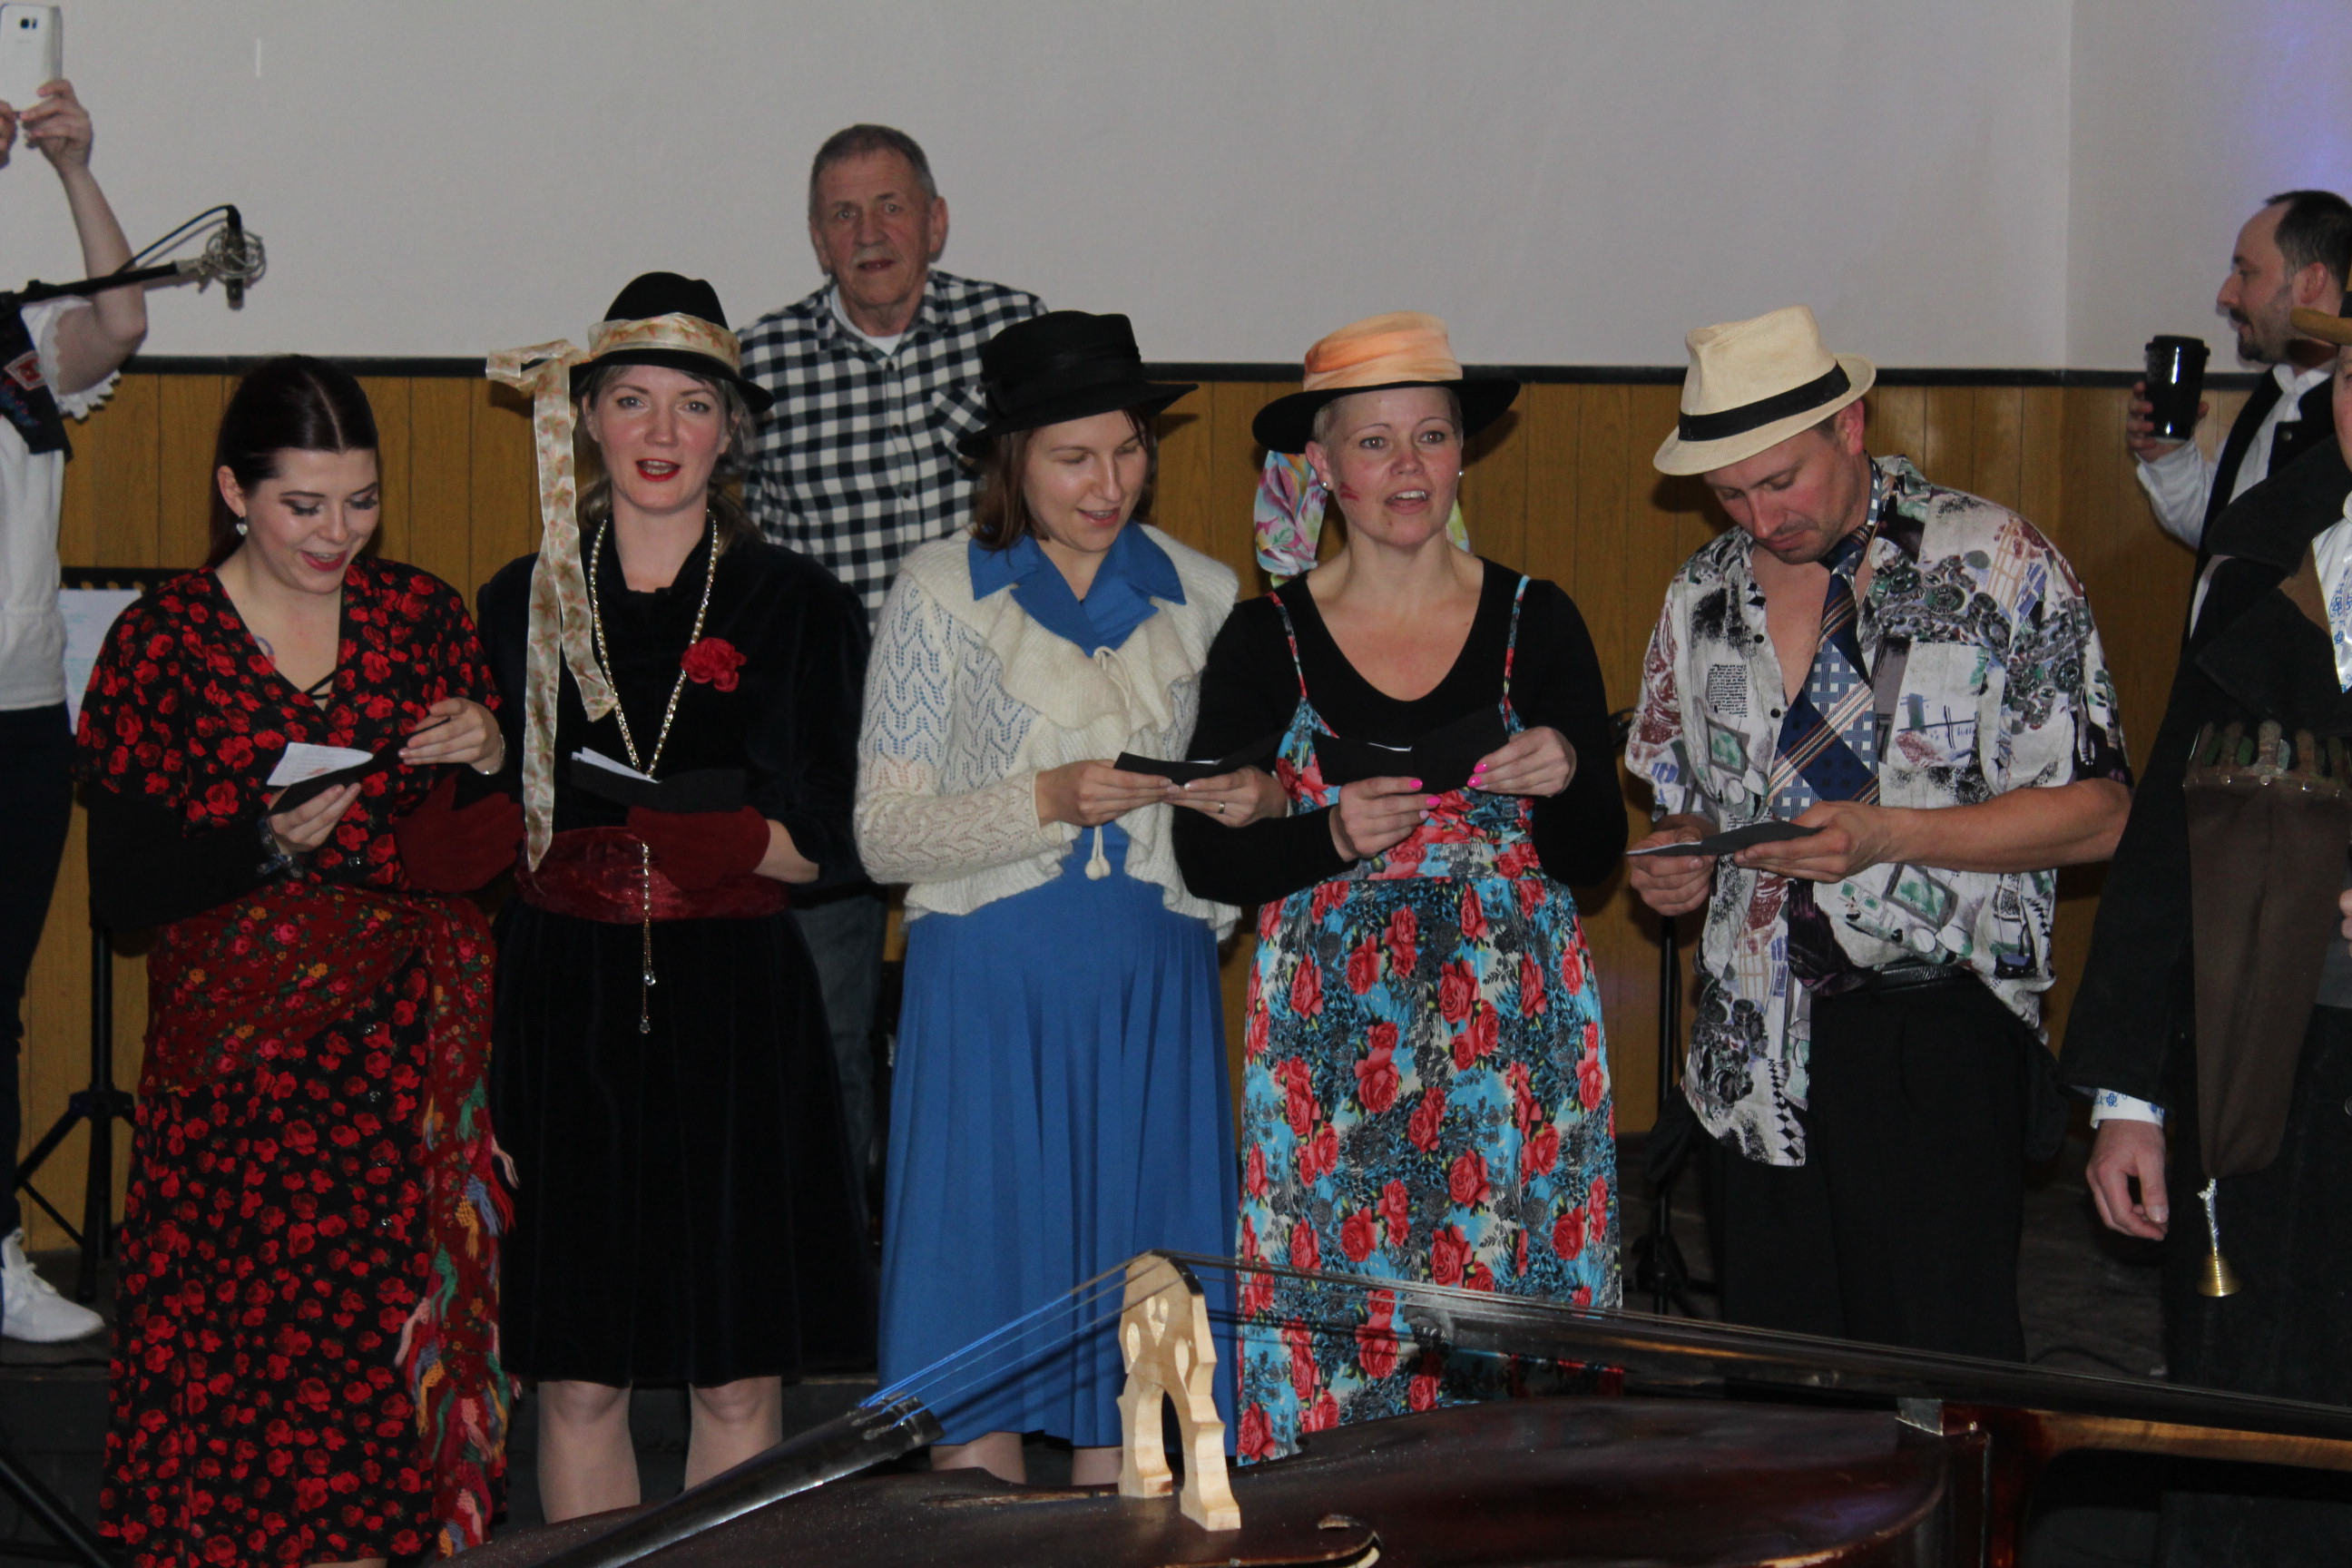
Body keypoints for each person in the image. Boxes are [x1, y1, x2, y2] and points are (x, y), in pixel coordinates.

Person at [1625, 305, 2132, 1360]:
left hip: (1931, 1031)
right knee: (1783, 1392)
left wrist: (1891, 835)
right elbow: (1691, 798)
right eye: (1730, 493)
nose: (1762, 517)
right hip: (1751, 1041)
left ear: (1850, 426)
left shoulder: (1996, 562)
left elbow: (2100, 813)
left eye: (1782, 481)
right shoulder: (1702, 592)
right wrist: (1678, 854)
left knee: (1938, 1382)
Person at [76, 357, 508, 1564]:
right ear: (234, 491)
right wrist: (263, 846)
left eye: (361, 501)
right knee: (241, 1400)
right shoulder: (161, 642)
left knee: (380, 1397)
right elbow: (123, 896)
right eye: (303, 505)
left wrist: (489, 752)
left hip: (394, 1085)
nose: (337, 533)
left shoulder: (420, 617)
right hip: (238, 1092)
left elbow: (486, 852)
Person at [1175, 313, 1626, 1465]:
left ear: (1464, 452)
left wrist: (1571, 772)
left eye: (1431, 435)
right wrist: (1327, 835)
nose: (1408, 467)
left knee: (1511, 1364)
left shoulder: (1538, 619)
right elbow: (1207, 858)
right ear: (1323, 466)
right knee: (1342, 1347)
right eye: (1374, 443)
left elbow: (1592, 858)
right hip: (1334, 1059)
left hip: (1513, 1049)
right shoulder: (1264, 639)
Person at [478, 273, 876, 1520]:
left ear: (729, 432)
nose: (660, 432)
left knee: (736, 1374)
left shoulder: (798, 604)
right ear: (586, 419)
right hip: (566, 1010)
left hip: (735, 1011)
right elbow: (491, 831)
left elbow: (841, 840)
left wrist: (735, 839)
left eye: (692, 405)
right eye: (632, 401)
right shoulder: (520, 601)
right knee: (576, 1376)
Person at [858, 310, 1251, 1486]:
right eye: (1074, 458)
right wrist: (1046, 798)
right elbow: (882, 835)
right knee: (978, 1334)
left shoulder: (1206, 594)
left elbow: (1238, 816)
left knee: (1142, 1368)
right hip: (987, 999)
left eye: (1128, 451)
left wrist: (1250, 802)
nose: (1108, 484)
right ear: (1012, 462)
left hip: (1151, 997)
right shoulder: (938, 592)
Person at [2070, 304, 2352, 1563]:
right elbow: (2169, 845)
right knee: (2249, 1427)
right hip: (2267, 1067)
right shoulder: (2266, 555)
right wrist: (2129, 1094)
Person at [737, 124, 1046, 1201]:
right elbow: (745, 565)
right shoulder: (759, 365)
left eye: (890, 206)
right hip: (836, 758)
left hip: (1001, 751)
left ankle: (984, 1239)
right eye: (843, 213)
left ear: (936, 221)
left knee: (996, 1019)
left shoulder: (1014, 334)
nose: (869, 233)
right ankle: (841, 1270)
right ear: (816, 238)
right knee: (824, 1029)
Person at [0, 78, 143, 1344]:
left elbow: (123, 317)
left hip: (23, 711)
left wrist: (71, 168)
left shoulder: (19, 342)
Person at [2131, 190, 2350, 560]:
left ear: (2311, 282)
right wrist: (2168, 457)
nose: (2226, 295)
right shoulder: (2278, 390)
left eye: (2246, 273)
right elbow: (2226, 532)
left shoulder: (2340, 422)